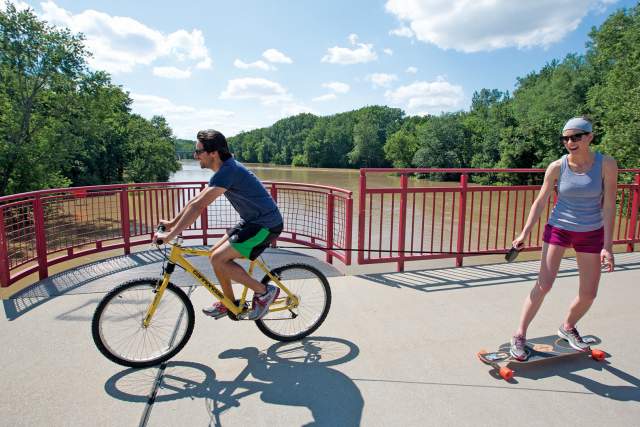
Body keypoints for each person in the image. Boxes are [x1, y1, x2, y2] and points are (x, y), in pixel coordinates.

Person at [509, 117, 617, 360]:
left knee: (589, 294)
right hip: (559, 228)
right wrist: (525, 232)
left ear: (589, 136)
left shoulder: (607, 164)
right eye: (565, 138)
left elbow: (609, 205)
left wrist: (607, 247)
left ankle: (568, 326)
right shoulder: (557, 166)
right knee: (544, 284)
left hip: (591, 231)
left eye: (576, 136)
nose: (570, 142)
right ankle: (519, 334)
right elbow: (541, 200)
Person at [154, 129, 284, 320]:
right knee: (214, 255)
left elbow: (199, 207)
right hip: (252, 220)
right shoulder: (224, 170)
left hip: (266, 225)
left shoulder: (228, 171)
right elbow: (195, 201)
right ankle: (230, 303)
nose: (195, 155)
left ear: (213, 153)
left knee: (218, 259)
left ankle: (264, 291)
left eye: (198, 152)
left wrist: (170, 236)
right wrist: (172, 223)